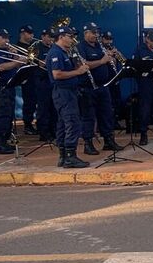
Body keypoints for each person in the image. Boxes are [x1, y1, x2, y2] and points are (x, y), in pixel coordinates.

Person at [45, 26, 90, 168]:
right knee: (72, 122)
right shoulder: (56, 53)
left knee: (63, 124)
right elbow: (57, 74)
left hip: (69, 91)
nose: (72, 39)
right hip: (63, 92)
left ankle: (64, 156)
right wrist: (78, 72)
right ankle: (70, 156)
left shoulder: (64, 52)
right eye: (70, 36)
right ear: (61, 36)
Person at [77, 23, 124, 156]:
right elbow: (83, 65)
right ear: (85, 33)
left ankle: (109, 141)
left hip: (103, 86)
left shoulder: (100, 46)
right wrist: (102, 61)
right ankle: (88, 144)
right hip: (88, 87)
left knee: (106, 114)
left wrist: (112, 60)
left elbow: (106, 62)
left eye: (97, 32)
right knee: (89, 117)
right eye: (92, 32)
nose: (95, 35)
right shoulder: (80, 47)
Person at [0, 29, 28, 154]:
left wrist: (16, 57)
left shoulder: (5, 50)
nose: (7, 41)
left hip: (9, 86)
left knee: (9, 115)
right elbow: (1, 67)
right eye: (4, 38)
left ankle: (6, 140)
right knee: (2, 115)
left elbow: (15, 65)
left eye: (8, 38)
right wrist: (16, 61)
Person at [33, 29, 58, 142]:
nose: (51, 39)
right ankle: (44, 132)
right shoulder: (37, 47)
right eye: (49, 37)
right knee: (44, 108)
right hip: (42, 80)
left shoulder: (53, 47)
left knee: (54, 107)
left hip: (52, 81)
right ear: (43, 36)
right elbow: (39, 63)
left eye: (52, 37)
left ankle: (54, 131)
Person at [100, 31, 126, 131]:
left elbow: (123, 61)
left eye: (110, 39)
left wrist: (118, 55)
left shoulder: (113, 49)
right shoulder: (100, 50)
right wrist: (108, 55)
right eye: (106, 39)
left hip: (115, 79)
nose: (109, 41)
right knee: (107, 103)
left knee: (116, 102)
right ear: (102, 39)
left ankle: (115, 122)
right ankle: (106, 124)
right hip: (106, 80)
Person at [15, 25, 39, 135]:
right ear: (22, 33)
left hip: (36, 76)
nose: (32, 35)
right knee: (29, 102)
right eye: (29, 33)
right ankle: (28, 125)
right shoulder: (16, 47)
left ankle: (39, 123)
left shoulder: (32, 46)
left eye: (32, 33)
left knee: (37, 101)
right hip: (26, 78)